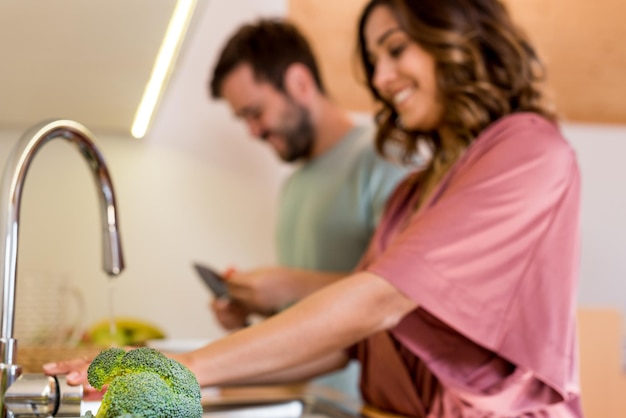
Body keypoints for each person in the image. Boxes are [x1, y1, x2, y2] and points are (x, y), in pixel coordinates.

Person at [45, 0, 583, 416]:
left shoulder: (530, 154)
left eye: (396, 50)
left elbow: (380, 299)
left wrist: (186, 366)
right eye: (376, 61)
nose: (381, 79)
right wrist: (196, 368)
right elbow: (351, 342)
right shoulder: (412, 195)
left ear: (460, 34)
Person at [204, 19, 410, 398]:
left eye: (255, 112)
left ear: (299, 82)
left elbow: (403, 291)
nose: (253, 131)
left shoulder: (385, 155)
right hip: (311, 400)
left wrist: (285, 285)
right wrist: (254, 308)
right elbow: (313, 319)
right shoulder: (293, 187)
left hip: (368, 404)